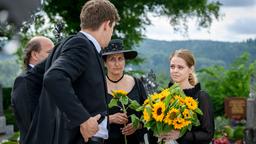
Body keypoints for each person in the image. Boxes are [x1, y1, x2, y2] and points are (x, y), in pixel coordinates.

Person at [24, 0, 120, 144]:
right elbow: (54, 78)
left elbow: (30, 80)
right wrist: (83, 119)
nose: (111, 33)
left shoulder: (61, 46)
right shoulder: (81, 45)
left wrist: (47, 121)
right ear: (107, 24)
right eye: (113, 28)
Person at [161, 49, 214, 144]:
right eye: (172, 67)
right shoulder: (164, 95)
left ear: (191, 69)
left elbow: (208, 134)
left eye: (180, 67)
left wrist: (181, 135)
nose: (175, 71)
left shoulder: (201, 97)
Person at [102, 39, 147, 144]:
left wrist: (138, 125)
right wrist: (110, 119)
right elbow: (89, 117)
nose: (117, 63)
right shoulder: (98, 86)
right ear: (105, 63)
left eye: (120, 58)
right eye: (112, 59)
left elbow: (148, 114)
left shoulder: (137, 83)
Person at [11, 36, 54, 144]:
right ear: (34, 54)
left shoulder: (49, 79)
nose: (55, 57)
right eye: (50, 53)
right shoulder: (23, 81)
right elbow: (32, 122)